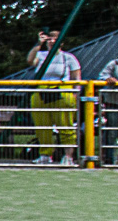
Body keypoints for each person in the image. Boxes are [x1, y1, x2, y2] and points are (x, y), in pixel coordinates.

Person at [26, 29, 81, 165]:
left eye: (55, 39)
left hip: (62, 93)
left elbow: (76, 78)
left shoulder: (69, 57)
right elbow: (30, 61)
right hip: (41, 93)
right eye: (49, 38)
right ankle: (45, 154)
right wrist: (38, 44)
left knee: (65, 126)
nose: (51, 41)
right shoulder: (41, 55)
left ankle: (68, 156)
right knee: (42, 126)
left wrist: (75, 94)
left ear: (61, 42)